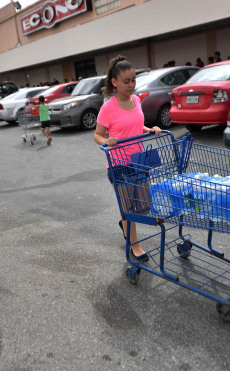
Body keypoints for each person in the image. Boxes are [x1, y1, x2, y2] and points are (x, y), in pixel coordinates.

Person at [93, 55, 161, 261]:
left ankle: (125, 225)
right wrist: (106, 141)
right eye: (126, 81)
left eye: (133, 80)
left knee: (143, 206)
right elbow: (97, 135)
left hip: (140, 161)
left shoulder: (137, 100)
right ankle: (135, 245)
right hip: (119, 164)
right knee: (129, 208)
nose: (131, 85)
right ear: (114, 82)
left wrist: (150, 129)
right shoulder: (108, 108)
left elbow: (134, 125)